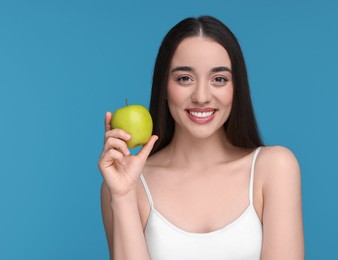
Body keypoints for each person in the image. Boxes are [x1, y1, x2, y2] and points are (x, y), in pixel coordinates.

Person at [98, 16, 304, 260]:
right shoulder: (131, 184)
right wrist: (122, 196)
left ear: (236, 88)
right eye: (185, 78)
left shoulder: (274, 167)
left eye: (219, 79)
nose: (202, 96)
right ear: (164, 87)